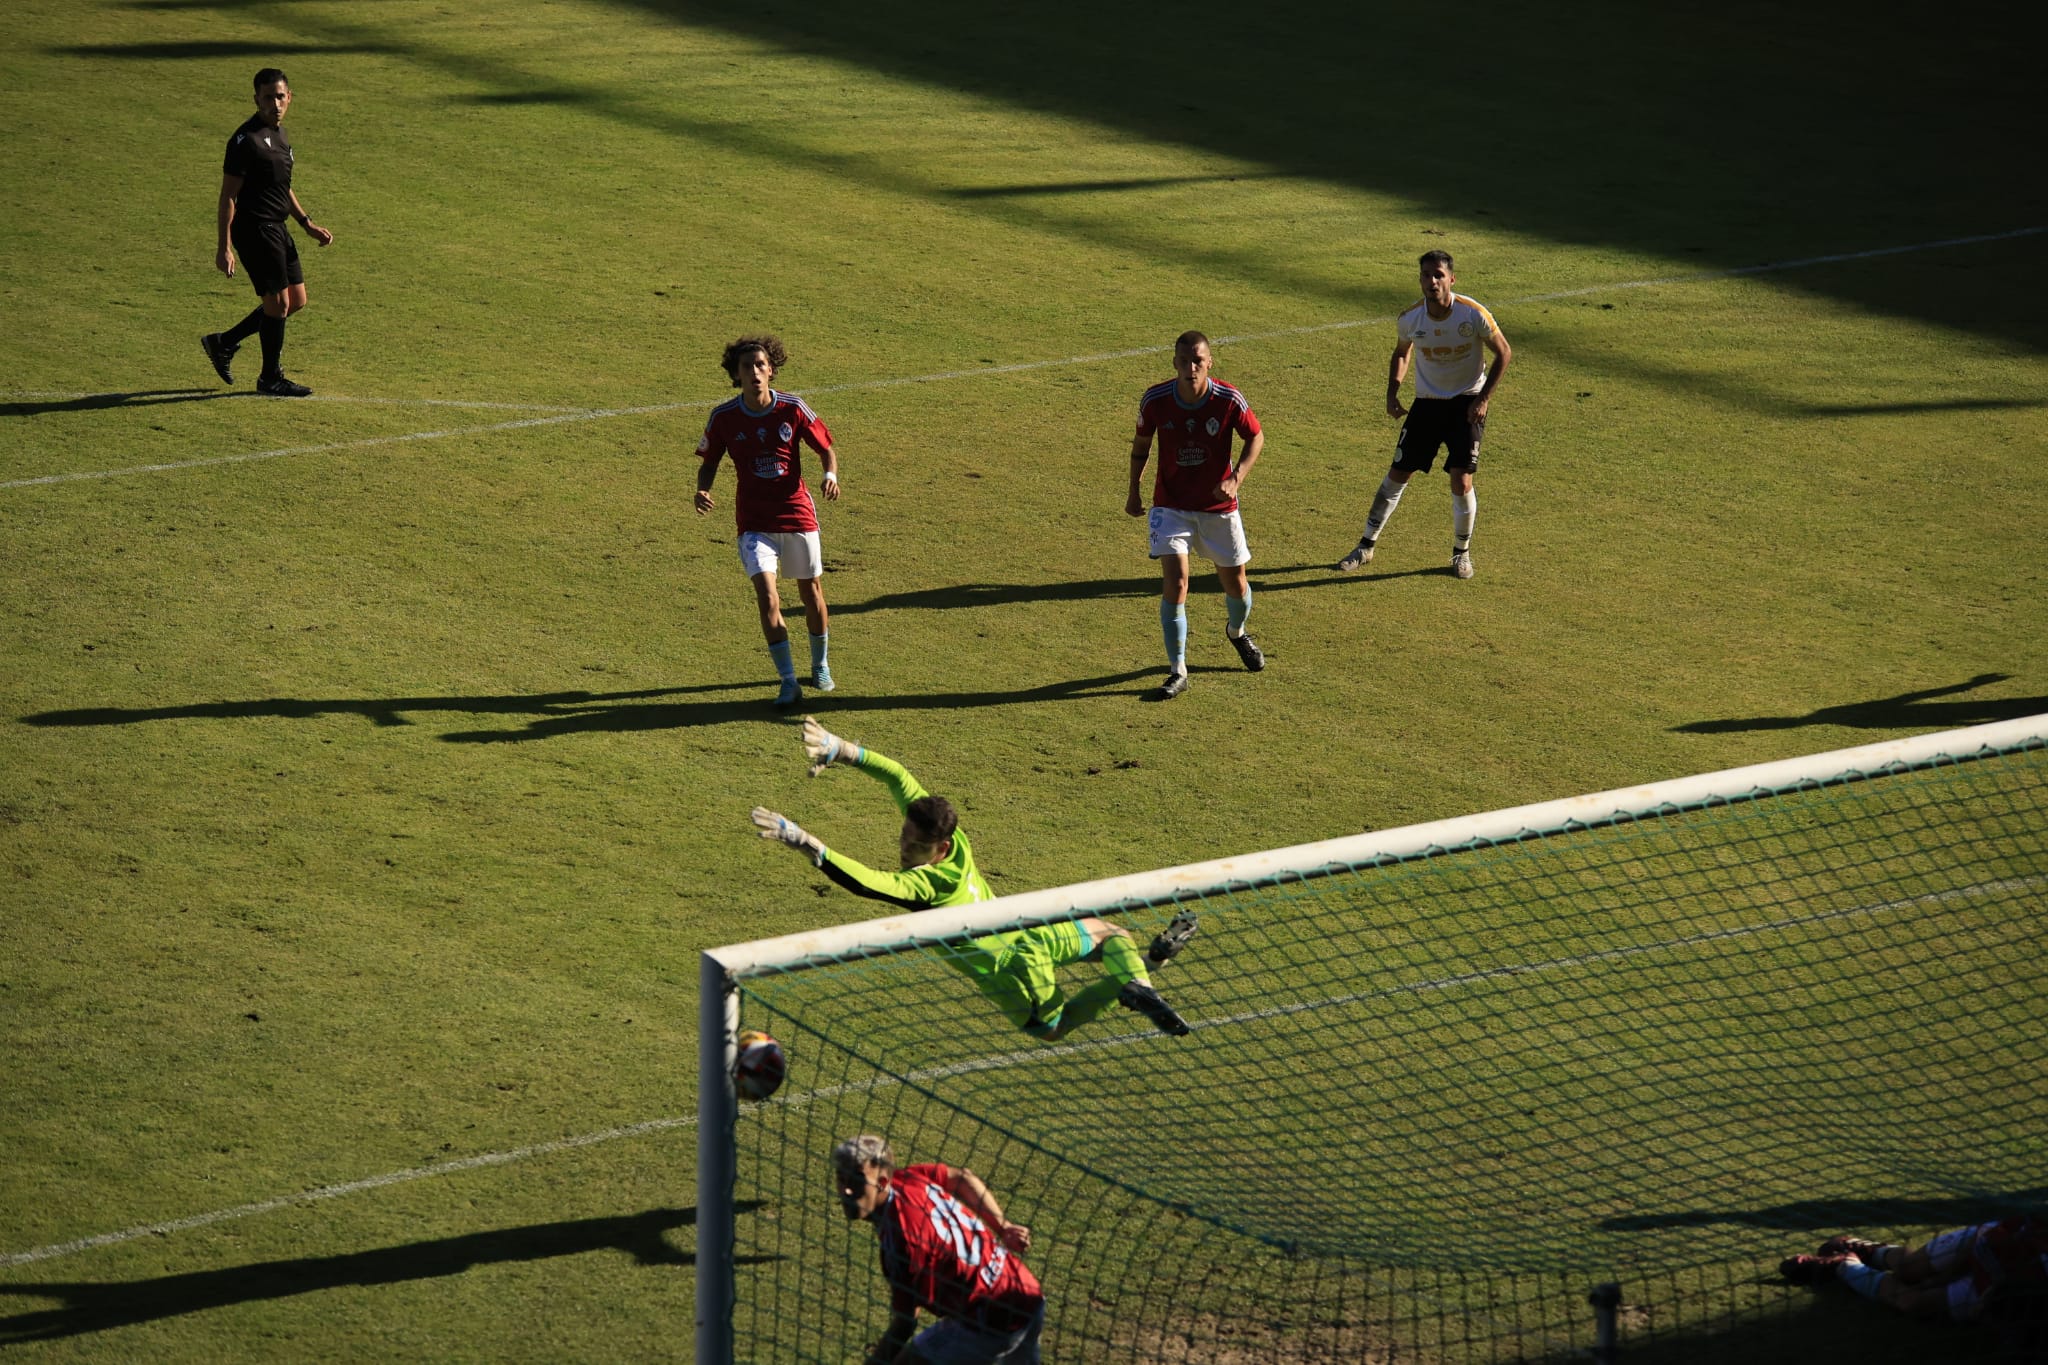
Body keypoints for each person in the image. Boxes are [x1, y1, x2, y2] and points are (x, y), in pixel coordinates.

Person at [750, 717, 1197, 1039]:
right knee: (1110, 933)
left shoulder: (923, 888)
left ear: (939, 848)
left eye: (914, 845)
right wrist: (843, 750)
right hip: (1033, 929)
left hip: (1013, 971)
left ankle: (1139, 978)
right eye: (904, 836)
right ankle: (1143, 976)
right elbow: (900, 777)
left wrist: (805, 841)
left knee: (1054, 1028)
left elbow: (866, 882)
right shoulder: (954, 837)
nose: (904, 847)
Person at [1337, 250, 1511, 579]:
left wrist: (1485, 398)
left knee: (1461, 480)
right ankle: (1365, 546)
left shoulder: (1472, 314)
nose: (1432, 281)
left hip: (1467, 402)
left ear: (1451, 279)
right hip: (1427, 403)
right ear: (1420, 280)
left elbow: (1504, 352)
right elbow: (1402, 353)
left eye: (1438, 275)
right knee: (1397, 474)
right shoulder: (1411, 319)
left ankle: (1461, 554)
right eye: (1426, 275)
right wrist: (1392, 392)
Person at [694, 335, 840, 707]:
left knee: (811, 594)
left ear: (771, 369)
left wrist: (830, 476)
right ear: (736, 374)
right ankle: (788, 681)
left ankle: (820, 665)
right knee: (768, 596)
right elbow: (709, 462)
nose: (755, 372)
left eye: (761, 365)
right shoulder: (724, 417)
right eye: (747, 367)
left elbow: (826, 449)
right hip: (754, 522)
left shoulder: (792, 408)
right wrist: (703, 490)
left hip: (796, 514)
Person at [1126, 330, 1266, 701]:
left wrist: (1236, 478)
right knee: (1177, 582)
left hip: (1218, 508)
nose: (1191, 368)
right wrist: (1133, 490)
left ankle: (1236, 631)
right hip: (1170, 506)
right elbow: (1141, 445)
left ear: (1209, 363)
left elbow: (1256, 437)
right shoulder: (1155, 400)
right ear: (1174, 363)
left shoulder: (1228, 399)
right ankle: (1178, 670)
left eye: (1198, 361)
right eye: (1185, 361)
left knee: (1236, 585)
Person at [833, 1134, 1045, 1365]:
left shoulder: (902, 1242)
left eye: (856, 1180)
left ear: (883, 1182)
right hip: (1026, 1292)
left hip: (987, 1322)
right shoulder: (910, 1178)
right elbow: (962, 1178)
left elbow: (905, 1323)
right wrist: (1003, 1227)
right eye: (841, 1179)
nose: (846, 1191)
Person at [202, 69, 334, 398]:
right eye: (267, 98)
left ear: (289, 97)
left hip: (279, 227)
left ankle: (224, 342)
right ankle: (270, 377)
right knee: (277, 304)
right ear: (256, 100)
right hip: (255, 229)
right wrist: (224, 248)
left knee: (296, 301)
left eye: (280, 96)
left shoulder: (282, 136)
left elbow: (283, 188)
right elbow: (228, 196)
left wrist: (307, 224)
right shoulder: (245, 142)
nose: (274, 103)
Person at [1780, 1216, 2048, 1326]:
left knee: (1912, 1303)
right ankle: (1867, 1250)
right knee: (1911, 1270)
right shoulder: (2022, 1237)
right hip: (1982, 1244)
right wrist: (1943, 1276)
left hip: (2014, 1286)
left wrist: (1992, 1300)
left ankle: (1844, 1266)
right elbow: (1979, 1244)